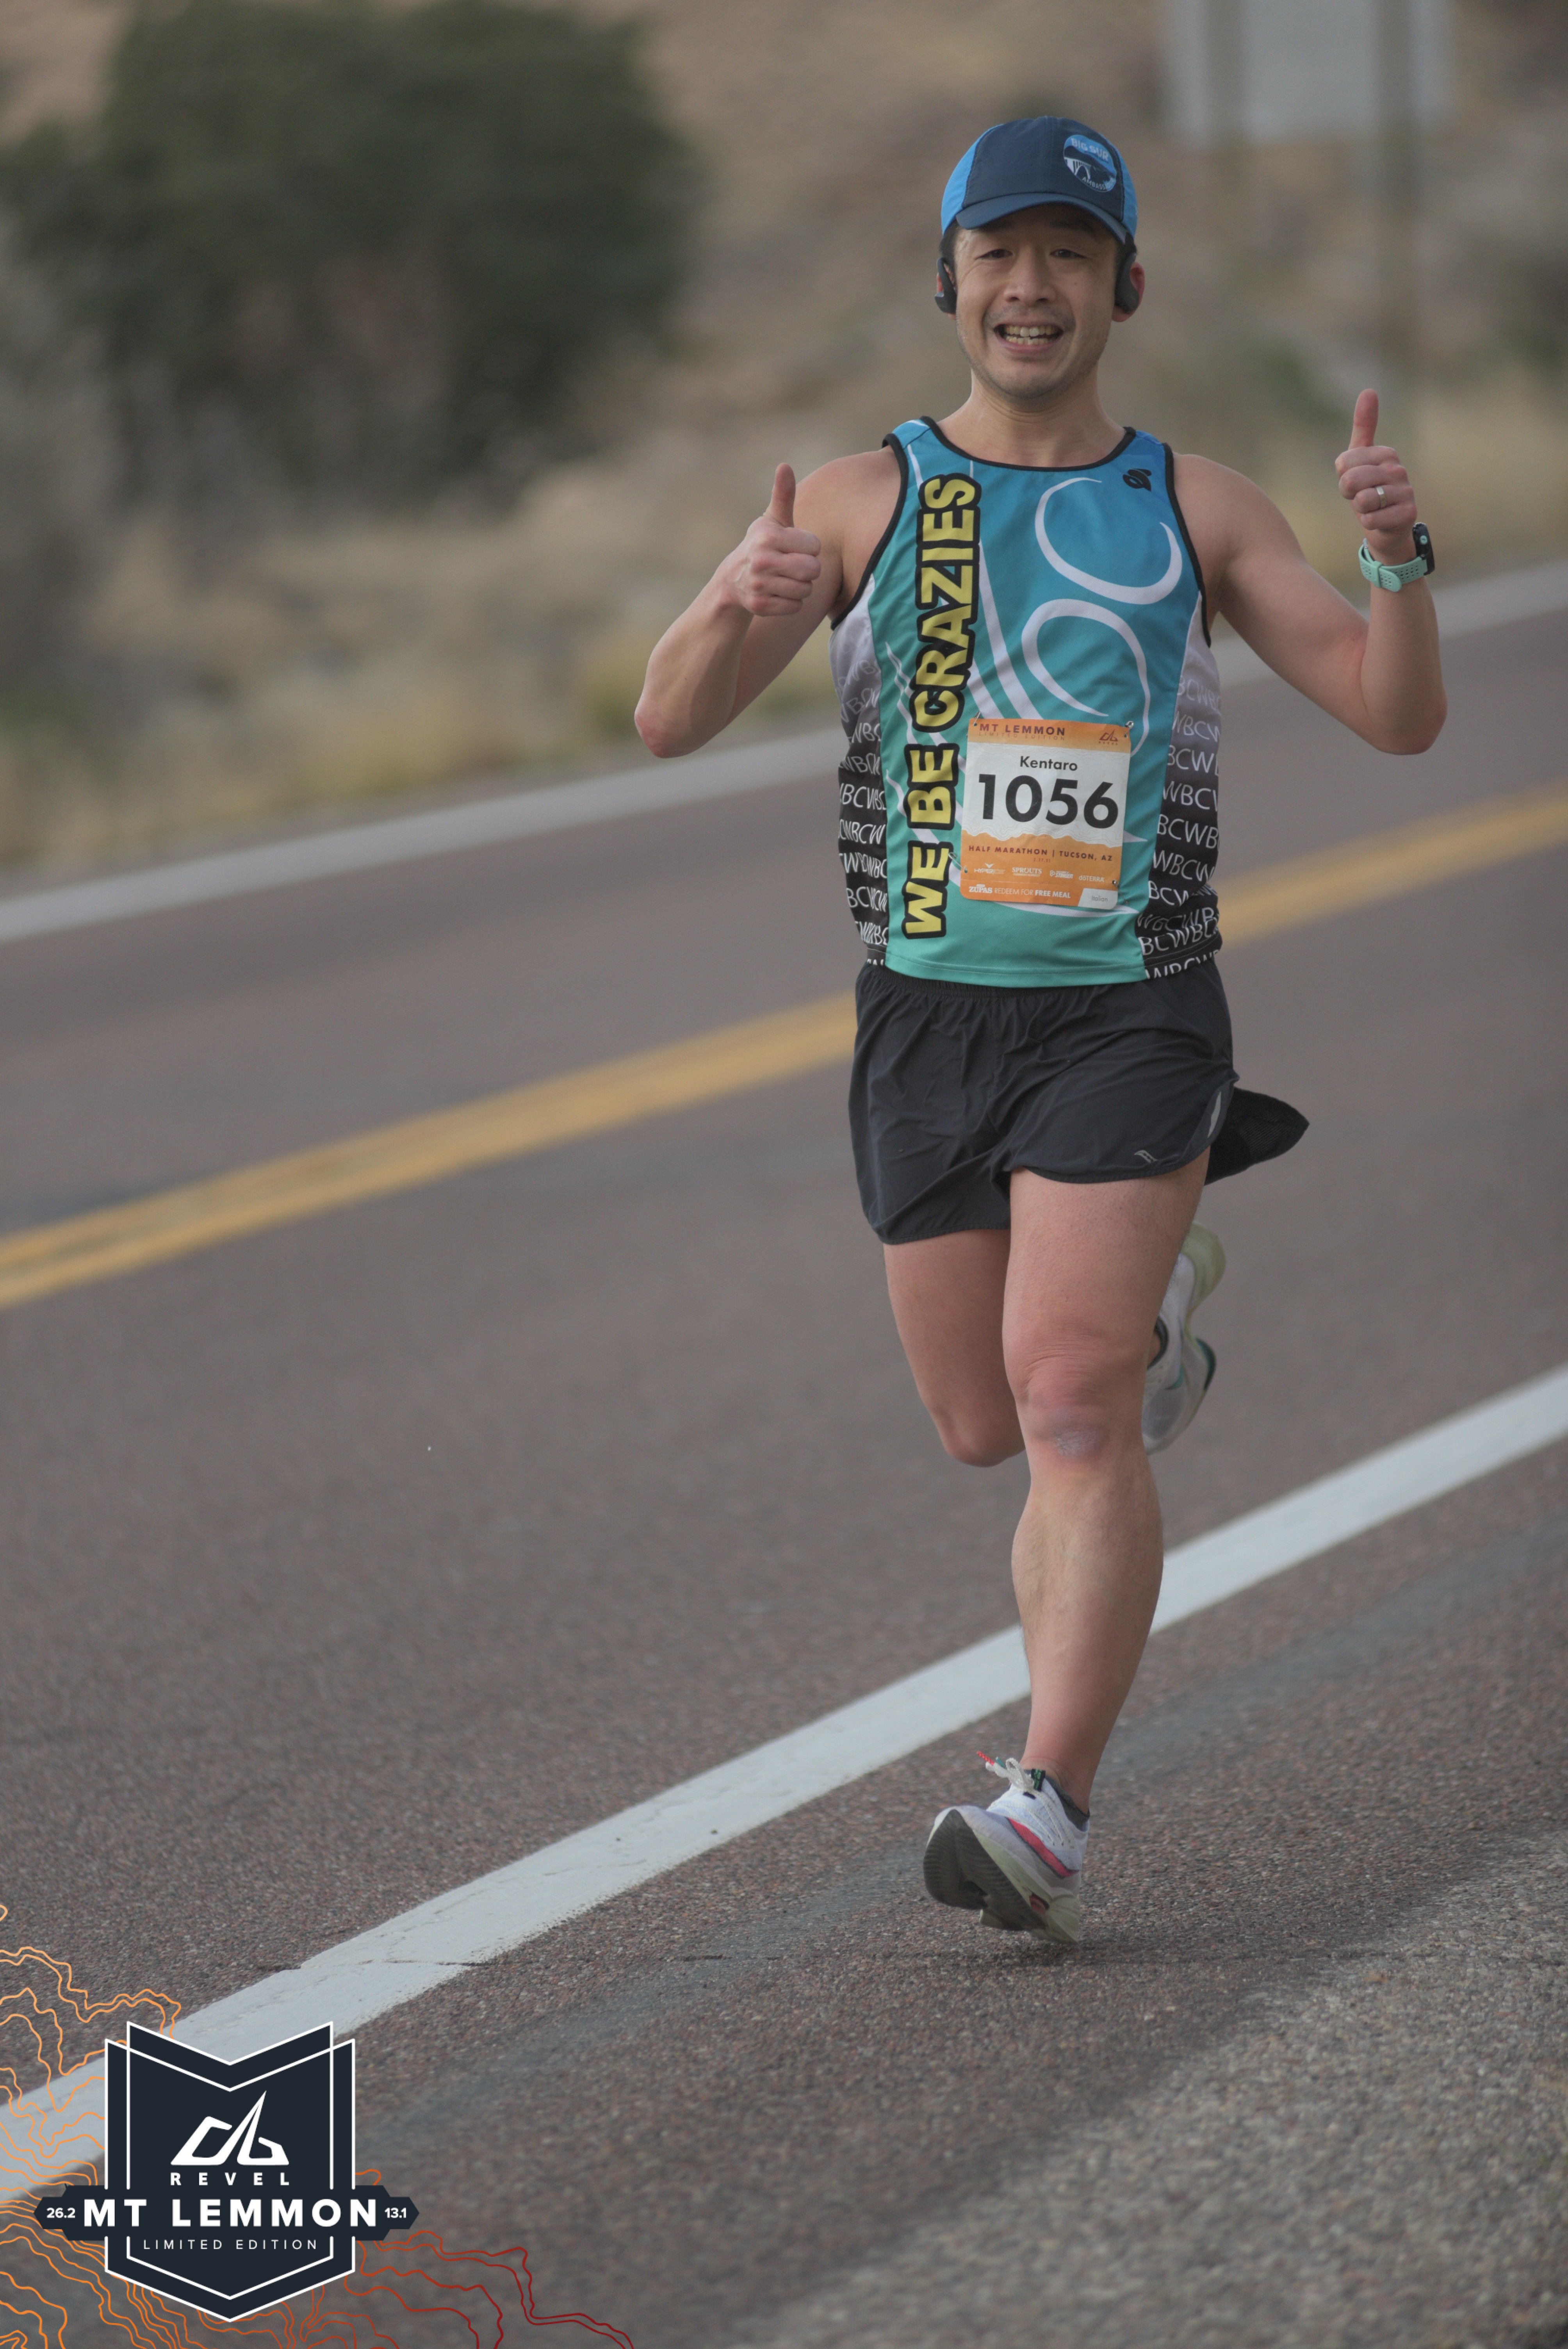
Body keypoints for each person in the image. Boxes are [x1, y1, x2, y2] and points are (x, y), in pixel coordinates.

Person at [634, 116, 1445, 1944]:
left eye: (1068, 254)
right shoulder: (852, 499)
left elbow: (1393, 714)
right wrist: (735, 607)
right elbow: (665, 718)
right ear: (948, 284)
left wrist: (1398, 559)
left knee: (1068, 1404)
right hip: (922, 1021)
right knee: (981, 1425)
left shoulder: (1195, 506)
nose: (1030, 285)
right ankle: (1151, 1318)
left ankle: (1047, 1803)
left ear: (1121, 288)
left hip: (1128, 1008)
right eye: (998, 254)